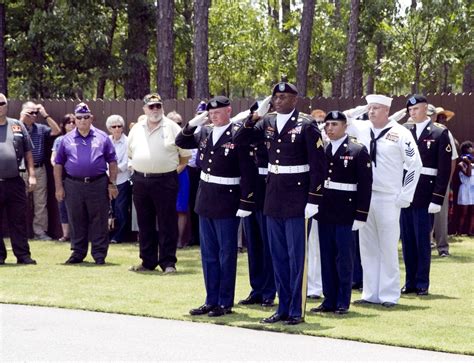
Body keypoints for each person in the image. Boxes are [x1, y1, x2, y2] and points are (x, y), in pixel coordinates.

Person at [234, 82, 326, 325]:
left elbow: (319, 165)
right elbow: (240, 138)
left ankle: (296, 310)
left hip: (297, 196)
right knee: (278, 255)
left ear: (295, 100)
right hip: (273, 195)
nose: (278, 101)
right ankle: (282, 307)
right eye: (275, 97)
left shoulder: (306, 125)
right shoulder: (268, 123)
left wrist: (314, 198)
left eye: (284, 97)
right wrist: (255, 116)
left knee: (296, 257)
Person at [175, 96, 255, 317]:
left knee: (226, 254)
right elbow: (181, 141)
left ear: (229, 111)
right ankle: (210, 300)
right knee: (208, 254)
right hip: (206, 198)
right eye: (210, 113)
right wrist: (193, 123)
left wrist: (246, 201)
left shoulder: (238, 134)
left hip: (228, 199)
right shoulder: (204, 132)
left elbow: (248, 171)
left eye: (217, 112)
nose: (213, 116)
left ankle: (224, 302)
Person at [346, 94, 422, 307]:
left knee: (387, 247)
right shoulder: (361, 128)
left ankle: (389, 295)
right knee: (367, 246)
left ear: (387, 111)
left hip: (389, 197)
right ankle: (370, 293)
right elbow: (342, 119)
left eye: (376, 108)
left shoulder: (401, 133)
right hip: (364, 196)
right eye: (370, 108)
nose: (372, 112)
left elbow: (415, 164)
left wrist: (405, 194)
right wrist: (361, 108)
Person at [311, 111, 372, 315]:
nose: (329, 128)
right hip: (325, 211)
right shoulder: (322, 149)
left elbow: (365, 185)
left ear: (345, 126)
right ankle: (329, 299)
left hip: (346, 212)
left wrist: (361, 214)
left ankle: (342, 301)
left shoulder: (358, 150)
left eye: (334, 124)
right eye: (327, 124)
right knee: (326, 257)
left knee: (344, 258)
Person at [128, 93, 191, 273]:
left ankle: (168, 262)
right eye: (151, 106)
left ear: (162, 107)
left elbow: (185, 157)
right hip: (141, 179)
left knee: (167, 222)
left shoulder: (172, 127)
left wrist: (170, 172)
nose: (155, 109)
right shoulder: (136, 128)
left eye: (158, 106)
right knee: (144, 222)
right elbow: (131, 154)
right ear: (144, 109)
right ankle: (147, 262)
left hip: (166, 180)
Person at [54, 102, 118, 265]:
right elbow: (58, 164)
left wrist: (112, 183)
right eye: (79, 118)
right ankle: (78, 253)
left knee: (99, 219)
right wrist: (59, 187)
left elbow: (112, 162)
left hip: (98, 183)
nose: (83, 120)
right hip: (73, 184)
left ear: (91, 118)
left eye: (86, 117)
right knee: (76, 218)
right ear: (75, 119)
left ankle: (99, 254)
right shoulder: (66, 139)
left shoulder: (102, 137)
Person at [401, 95, 452, 296]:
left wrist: (437, 197)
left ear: (426, 110)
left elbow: (444, 168)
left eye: (416, 109)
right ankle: (410, 281)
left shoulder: (439, 133)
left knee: (422, 240)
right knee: (407, 240)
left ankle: (422, 282)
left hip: (425, 192)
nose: (412, 113)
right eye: (410, 110)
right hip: (406, 191)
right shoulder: (405, 131)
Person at [238, 98, 277, 308]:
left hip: (267, 186)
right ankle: (257, 288)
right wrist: (252, 118)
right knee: (252, 244)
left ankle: (270, 290)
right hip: (249, 190)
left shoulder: (273, 128)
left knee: (268, 244)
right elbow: (240, 138)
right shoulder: (249, 128)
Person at [0, 93, 37, 265]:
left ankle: (23, 255)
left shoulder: (17, 125)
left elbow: (28, 152)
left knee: (19, 220)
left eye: (2, 103)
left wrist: (32, 175)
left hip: (14, 181)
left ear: (7, 105)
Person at [19, 101, 61, 240]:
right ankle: (20, 232)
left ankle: (40, 232)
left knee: (40, 203)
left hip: (39, 169)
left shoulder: (41, 128)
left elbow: (56, 131)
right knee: (19, 202)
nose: (33, 116)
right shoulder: (17, 127)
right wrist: (21, 119)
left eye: (35, 113)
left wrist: (45, 114)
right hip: (21, 169)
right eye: (30, 113)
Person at [430, 106, 458, 256]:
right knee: (423, 212)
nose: (442, 120)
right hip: (423, 179)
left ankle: (442, 247)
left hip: (441, 179)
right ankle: (427, 243)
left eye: (443, 118)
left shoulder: (445, 133)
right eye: (440, 117)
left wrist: (447, 180)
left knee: (441, 214)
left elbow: (452, 158)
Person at [307, 109, 327, 300]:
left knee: (318, 246)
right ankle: (308, 284)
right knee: (309, 245)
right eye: (318, 122)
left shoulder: (330, 143)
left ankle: (316, 286)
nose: (322, 126)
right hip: (307, 197)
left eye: (324, 122)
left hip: (324, 200)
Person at [166, 111, 191, 248]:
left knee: (181, 208)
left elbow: (185, 160)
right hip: (164, 177)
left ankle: (180, 240)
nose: (177, 126)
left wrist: (173, 173)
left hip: (180, 175)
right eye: (174, 123)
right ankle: (167, 240)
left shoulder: (184, 138)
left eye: (180, 123)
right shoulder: (163, 138)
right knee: (165, 208)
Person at [50, 114, 76, 242]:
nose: (71, 124)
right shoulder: (59, 141)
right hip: (63, 177)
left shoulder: (79, 139)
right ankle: (66, 234)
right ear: (64, 125)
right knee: (62, 205)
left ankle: (78, 234)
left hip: (76, 178)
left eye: (73, 122)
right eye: (68, 122)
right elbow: (53, 159)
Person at [106, 115, 131, 244]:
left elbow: (127, 162)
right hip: (106, 180)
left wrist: (114, 171)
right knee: (109, 208)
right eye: (113, 126)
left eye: (119, 126)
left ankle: (119, 235)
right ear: (109, 128)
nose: (116, 129)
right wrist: (107, 172)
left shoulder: (128, 142)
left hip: (122, 180)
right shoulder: (106, 141)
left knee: (121, 208)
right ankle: (107, 233)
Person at [454, 141, 474, 235]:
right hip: (465, 190)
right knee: (463, 212)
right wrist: (468, 163)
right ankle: (459, 231)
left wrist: (470, 163)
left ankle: (470, 231)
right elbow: (468, 175)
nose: (472, 149)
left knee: (472, 212)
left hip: (472, 189)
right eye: (470, 147)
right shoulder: (461, 164)